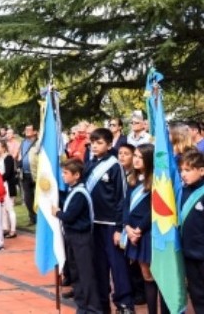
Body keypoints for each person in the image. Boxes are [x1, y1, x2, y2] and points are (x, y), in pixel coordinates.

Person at [85, 127, 134, 314]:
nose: (95, 146)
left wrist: (119, 227)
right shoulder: (89, 165)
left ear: (109, 144)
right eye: (93, 143)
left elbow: (122, 198)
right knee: (99, 265)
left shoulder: (115, 166)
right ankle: (102, 301)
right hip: (93, 224)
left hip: (111, 225)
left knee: (118, 265)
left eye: (99, 143)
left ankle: (124, 303)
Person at [117, 144, 164, 314]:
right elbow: (126, 206)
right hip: (133, 231)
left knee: (157, 275)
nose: (136, 159)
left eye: (140, 156)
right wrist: (127, 227)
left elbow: (155, 209)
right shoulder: (133, 179)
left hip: (147, 231)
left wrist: (139, 230)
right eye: (135, 155)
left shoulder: (157, 181)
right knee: (146, 275)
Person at [52, 159, 101, 314]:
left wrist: (58, 213)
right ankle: (82, 305)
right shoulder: (72, 190)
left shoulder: (80, 193)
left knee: (86, 274)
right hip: (72, 237)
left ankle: (93, 308)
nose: (63, 175)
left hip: (82, 237)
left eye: (66, 173)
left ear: (77, 175)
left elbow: (70, 216)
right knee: (76, 273)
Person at [180, 149, 204, 313]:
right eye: (182, 170)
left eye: (188, 170)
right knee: (196, 295)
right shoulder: (183, 191)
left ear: (201, 170)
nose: (183, 174)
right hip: (189, 254)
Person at [0, 139, 18, 239]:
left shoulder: (8, 158)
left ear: (4, 147)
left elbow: (8, 173)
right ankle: (5, 228)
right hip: (0, 184)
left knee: (9, 208)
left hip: (7, 185)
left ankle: (13, 229)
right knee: (2, 208)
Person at [17, 124, 38, 225]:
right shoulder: (23, 142)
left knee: (38, 197)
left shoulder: (38, 143)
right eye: (26, 129)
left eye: (29, 129)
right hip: (24, 174)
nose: (27, 131)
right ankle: (32, 218)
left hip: (36, 174)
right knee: (28, 198)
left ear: (35, 131)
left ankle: (40, 218)